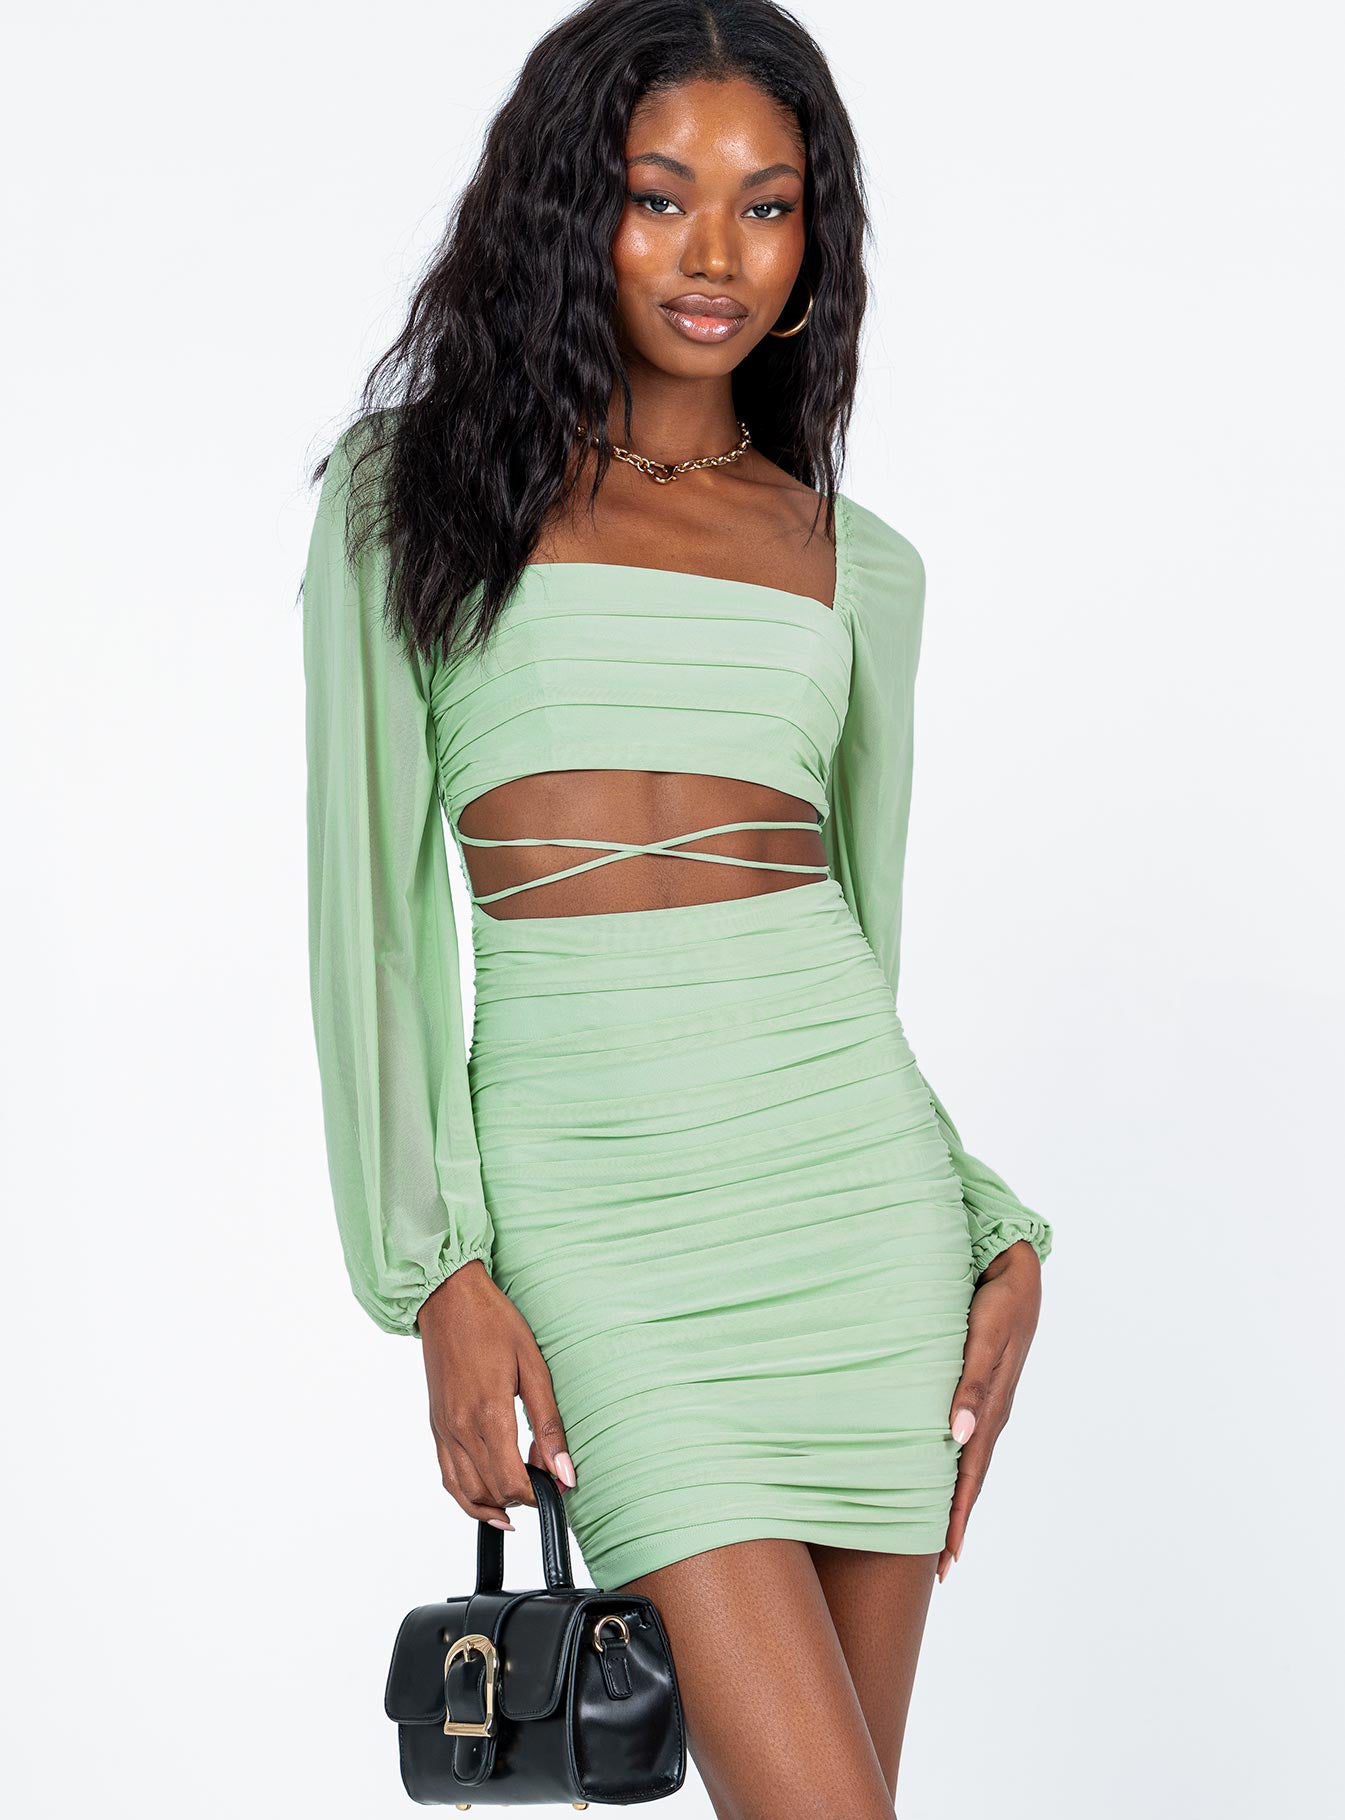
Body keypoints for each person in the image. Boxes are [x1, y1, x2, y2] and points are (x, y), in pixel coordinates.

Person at [301, 2, 1053, 1812]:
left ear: (812, 246)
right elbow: (370, 923)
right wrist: (436, 1276)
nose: (716, 254)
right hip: (600, 1231)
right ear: (574, 211)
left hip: (855, 1218)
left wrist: (991, 1229)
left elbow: (852, 931)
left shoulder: (853, 566)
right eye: (661, 197)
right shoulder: (409, 504)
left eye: (766, 206)